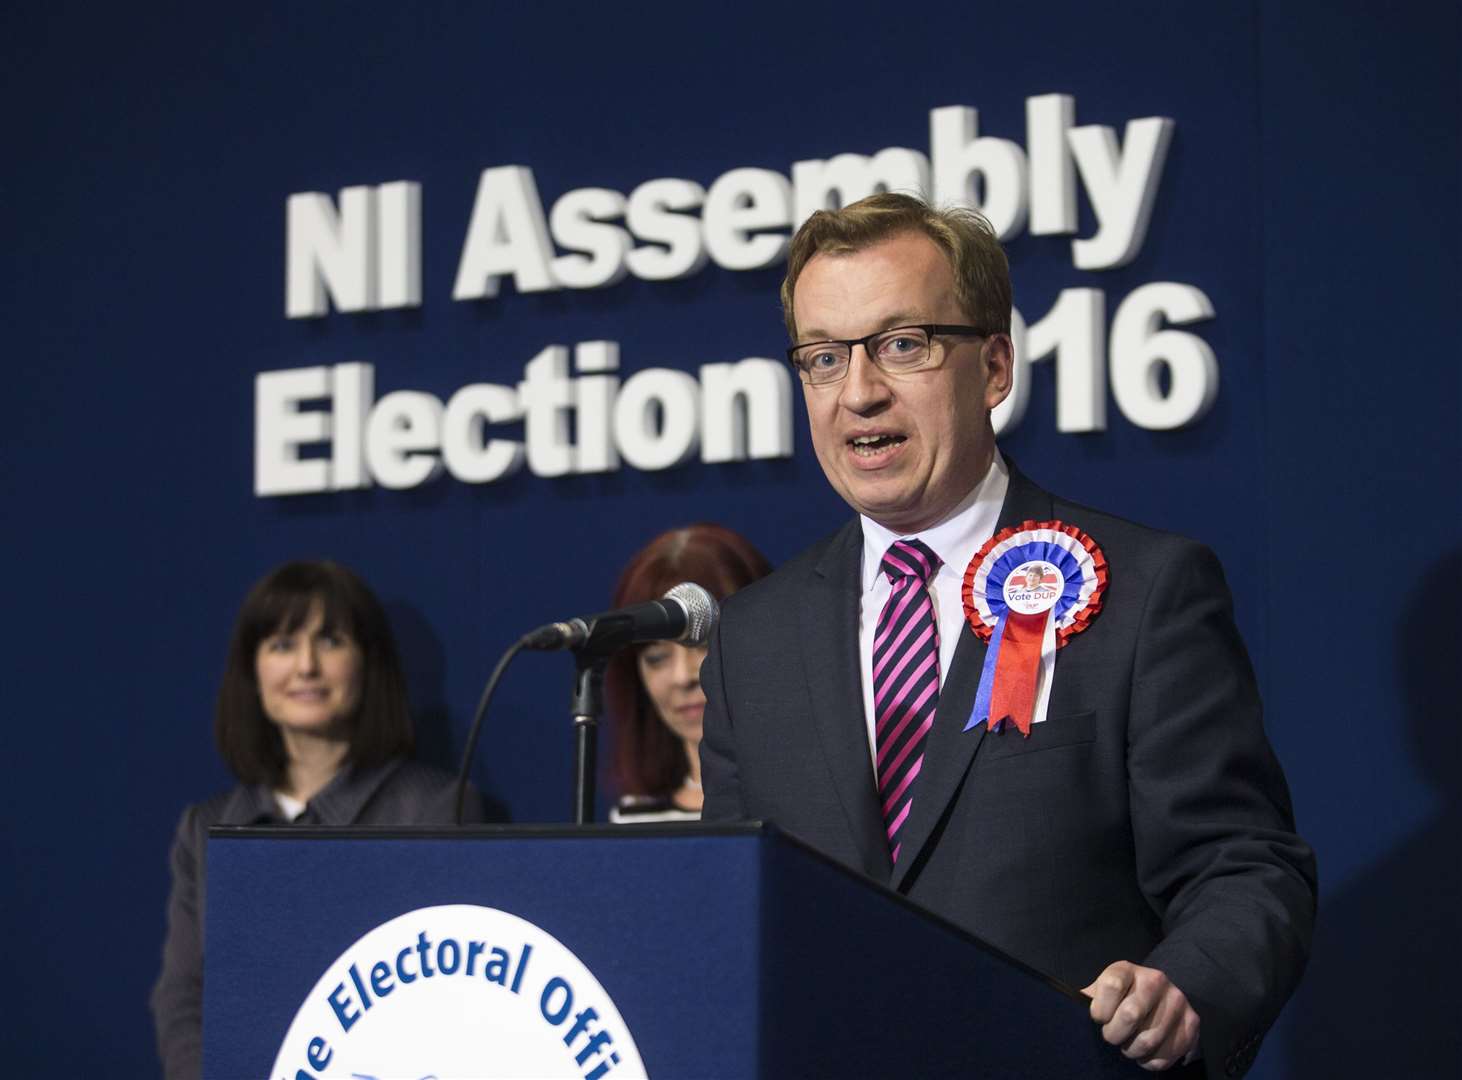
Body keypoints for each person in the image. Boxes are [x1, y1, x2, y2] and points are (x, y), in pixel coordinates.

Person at [699, 193, 1316, 1078]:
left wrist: (1183, 987)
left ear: (993, 368)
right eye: (823, 358)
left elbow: (1246, 869)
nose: (859, 391)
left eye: (901, 345)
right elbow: (731, 919)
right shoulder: (750, 638)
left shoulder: (1144, 593)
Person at [149, 560, 488, 1080]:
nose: (306, 666)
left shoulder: (437, 809)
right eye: (282, 644)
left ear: (367, 663)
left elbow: (452, 997)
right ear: (252, 670)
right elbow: (184, 998)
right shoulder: (206, 827)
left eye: (329, 641)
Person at [604, 524, 771, 823]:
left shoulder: (806, 803)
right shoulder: (634, 818)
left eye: (703, 645)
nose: (683, 676)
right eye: (656, 658)